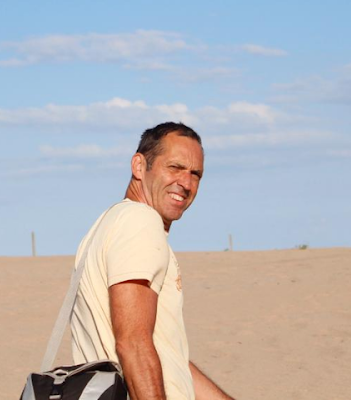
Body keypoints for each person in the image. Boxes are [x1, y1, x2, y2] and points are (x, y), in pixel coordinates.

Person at [70, 122, 235, 400]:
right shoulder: (140, 221)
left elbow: (169, 357)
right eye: (175, 167)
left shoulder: (110, 223)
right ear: (139, 166)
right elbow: (133, 344)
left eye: (195, 174)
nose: (186, 183)